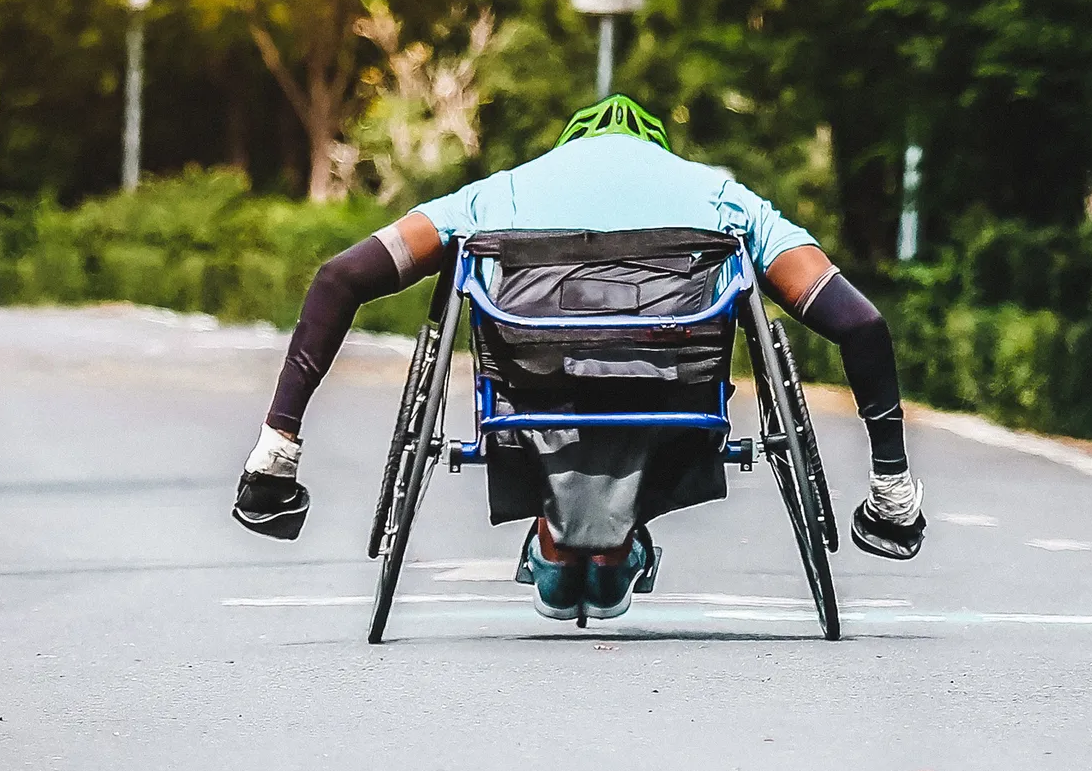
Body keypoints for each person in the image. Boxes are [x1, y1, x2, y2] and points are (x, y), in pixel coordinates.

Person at [231, 95, 926, 621]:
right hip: (674, 399)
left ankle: (556, 542)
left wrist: (278, 447)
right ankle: (615, 540)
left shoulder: (496, 195)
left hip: (535, 391)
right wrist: (891, 485)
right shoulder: (723, 199)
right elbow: (858, 323)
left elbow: (339, 280)